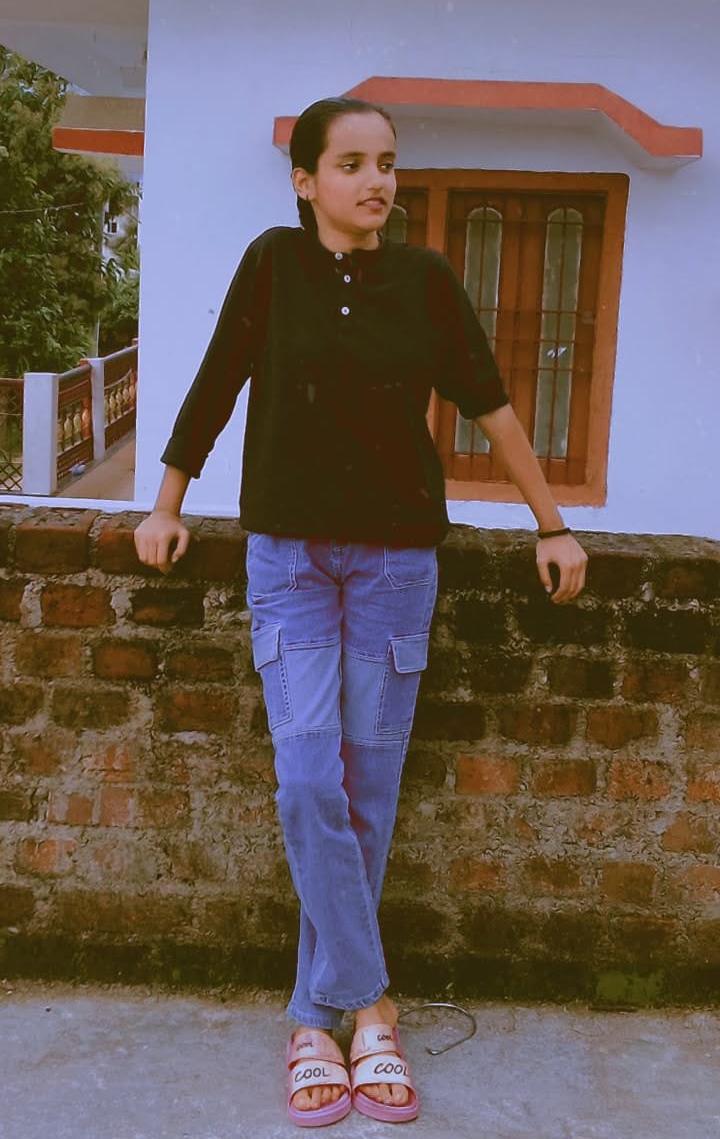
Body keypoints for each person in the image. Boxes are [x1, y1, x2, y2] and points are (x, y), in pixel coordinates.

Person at [134, 96, 588, 1127]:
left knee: (368, 789)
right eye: (351, 163)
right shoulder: (272, 264)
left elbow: (489, 401)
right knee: (309, 778)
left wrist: (552, 524)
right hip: (289, 560)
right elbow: (217, 381)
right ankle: (370, 1002)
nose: (376, 180)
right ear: (305, 181)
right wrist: (165, 504)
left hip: (395, 564)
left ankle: (314, 1021)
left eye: (386, 162)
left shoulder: (424, 280)